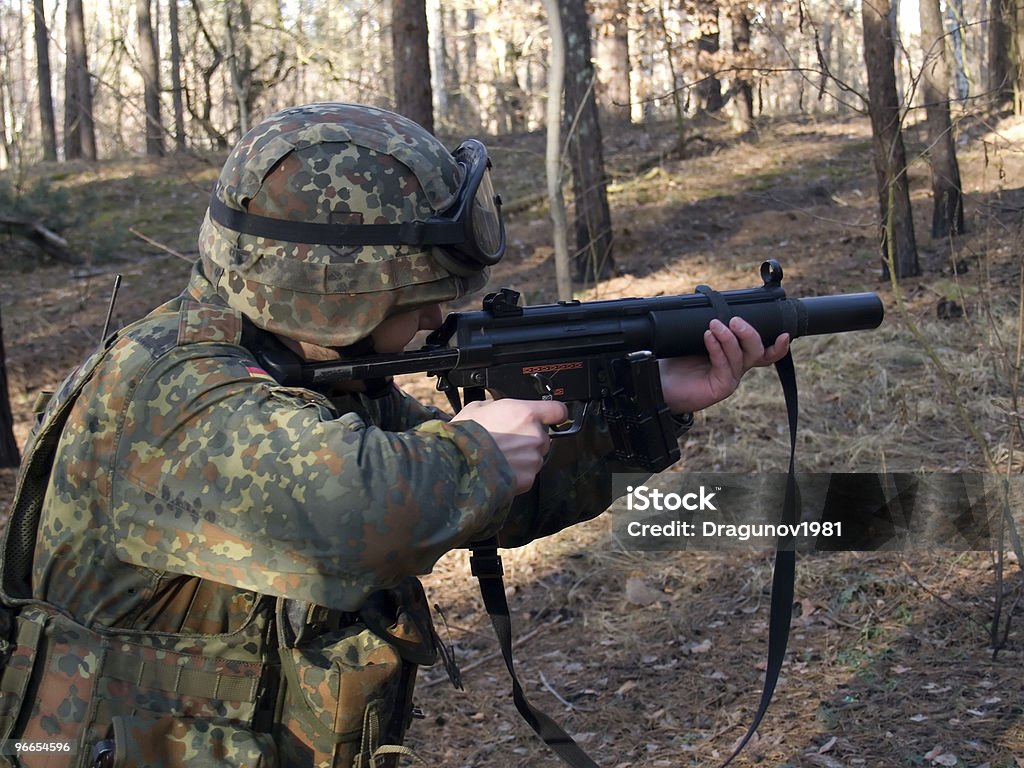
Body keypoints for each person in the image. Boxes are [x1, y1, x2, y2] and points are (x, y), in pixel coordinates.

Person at [0, 102, 789, 768]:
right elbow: (358, 516)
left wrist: (645, 403)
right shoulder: (178, 391)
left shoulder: (301, 373)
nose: (438, 318)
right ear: (326, 286)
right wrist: (475, 451)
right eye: (418, 293)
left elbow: (495, 503)